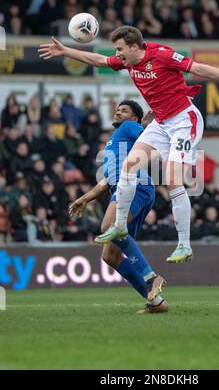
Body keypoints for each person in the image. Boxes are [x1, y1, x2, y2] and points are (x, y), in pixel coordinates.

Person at [38, 25, 219, 263]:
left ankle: (184, 245)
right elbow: (100, 60)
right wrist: (65, 51)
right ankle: (120, 226)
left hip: (184, 121)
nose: (118, 53)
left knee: (173, 178)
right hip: (161, 123)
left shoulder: (162, 54)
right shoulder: (129, 61)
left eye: (120, 48)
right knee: (128, 167)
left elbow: (197, 68)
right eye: (117, 49)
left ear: (135, 46)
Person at [69, 100, 167, 314]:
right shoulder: (117, 144)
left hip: (135, 187)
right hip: (131, 189)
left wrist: (148, 124)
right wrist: (85, 199)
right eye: (118, 109)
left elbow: (151, 135)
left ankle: (150, 277)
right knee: (110, 256)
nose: (118, 111)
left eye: (124, 110)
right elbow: (105, 182)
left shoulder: (128, 127)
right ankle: (155, 302)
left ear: (134, 119)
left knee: (108, 226)